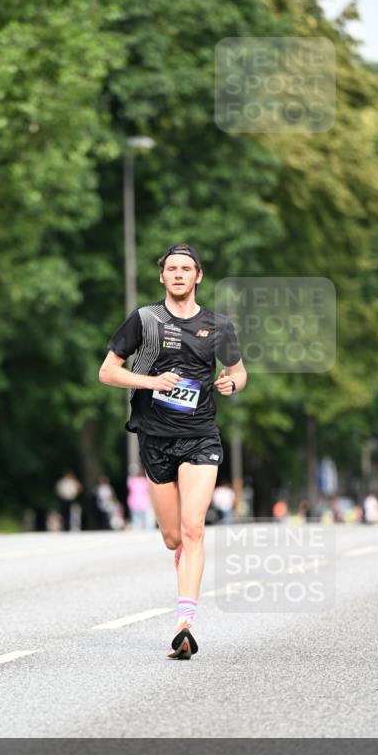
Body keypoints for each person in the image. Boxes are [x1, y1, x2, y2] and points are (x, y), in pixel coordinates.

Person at [99, 243, 246, 660]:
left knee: (194, 527)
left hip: (200, 434)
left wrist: (232, 383)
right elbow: (107, 371)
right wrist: (151, 383)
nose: (179, 275)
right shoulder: (144, 320)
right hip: (154, 438)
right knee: (172, 537)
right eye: (171, 269)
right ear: (162, 276)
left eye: (186, 269)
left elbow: (238, 371)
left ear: (198, 276)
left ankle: (185, 623)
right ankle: (184, 588)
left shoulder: (218, 326)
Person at [127, 464, 154, 530]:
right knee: (148, 522)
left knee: (136, 522)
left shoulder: (131, 481)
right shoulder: (145, 481)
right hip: (144, 503)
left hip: (134, 503)